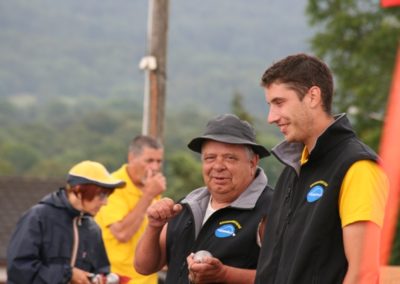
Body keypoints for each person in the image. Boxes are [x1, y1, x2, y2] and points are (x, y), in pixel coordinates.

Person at [254, 53, 389, 284]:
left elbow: (363, 274)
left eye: (279, 102)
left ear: (313, 96)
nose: (271, 117)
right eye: (270, 105)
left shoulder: (358, 167)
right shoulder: (292, 169)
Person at [134, 113, 274, 284]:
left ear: (253, 162)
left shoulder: (272, 208)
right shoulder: (186, 206)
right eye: (210, 158)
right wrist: (154, 226)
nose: (218, 166)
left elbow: (284, 276)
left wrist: (224, 275)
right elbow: (143, 267)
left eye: (230, 158)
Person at [7, 160, 125, 284]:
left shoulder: (93, 229)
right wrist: (68, 274)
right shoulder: (38, 217)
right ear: (79, 190)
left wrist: (102, 279)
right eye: (101, 195)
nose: (105, 202)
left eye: (107, 196)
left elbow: (101, 270)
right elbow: (19, 270)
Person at [95, 135, 166, 284]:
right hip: (118, 279)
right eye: (149, 161)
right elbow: (122, 233)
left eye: (158, 161)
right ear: (131, 158)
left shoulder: (151, 188)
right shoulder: (112, 186)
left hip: (149, 279)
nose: (155, 167)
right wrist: (148, 195)